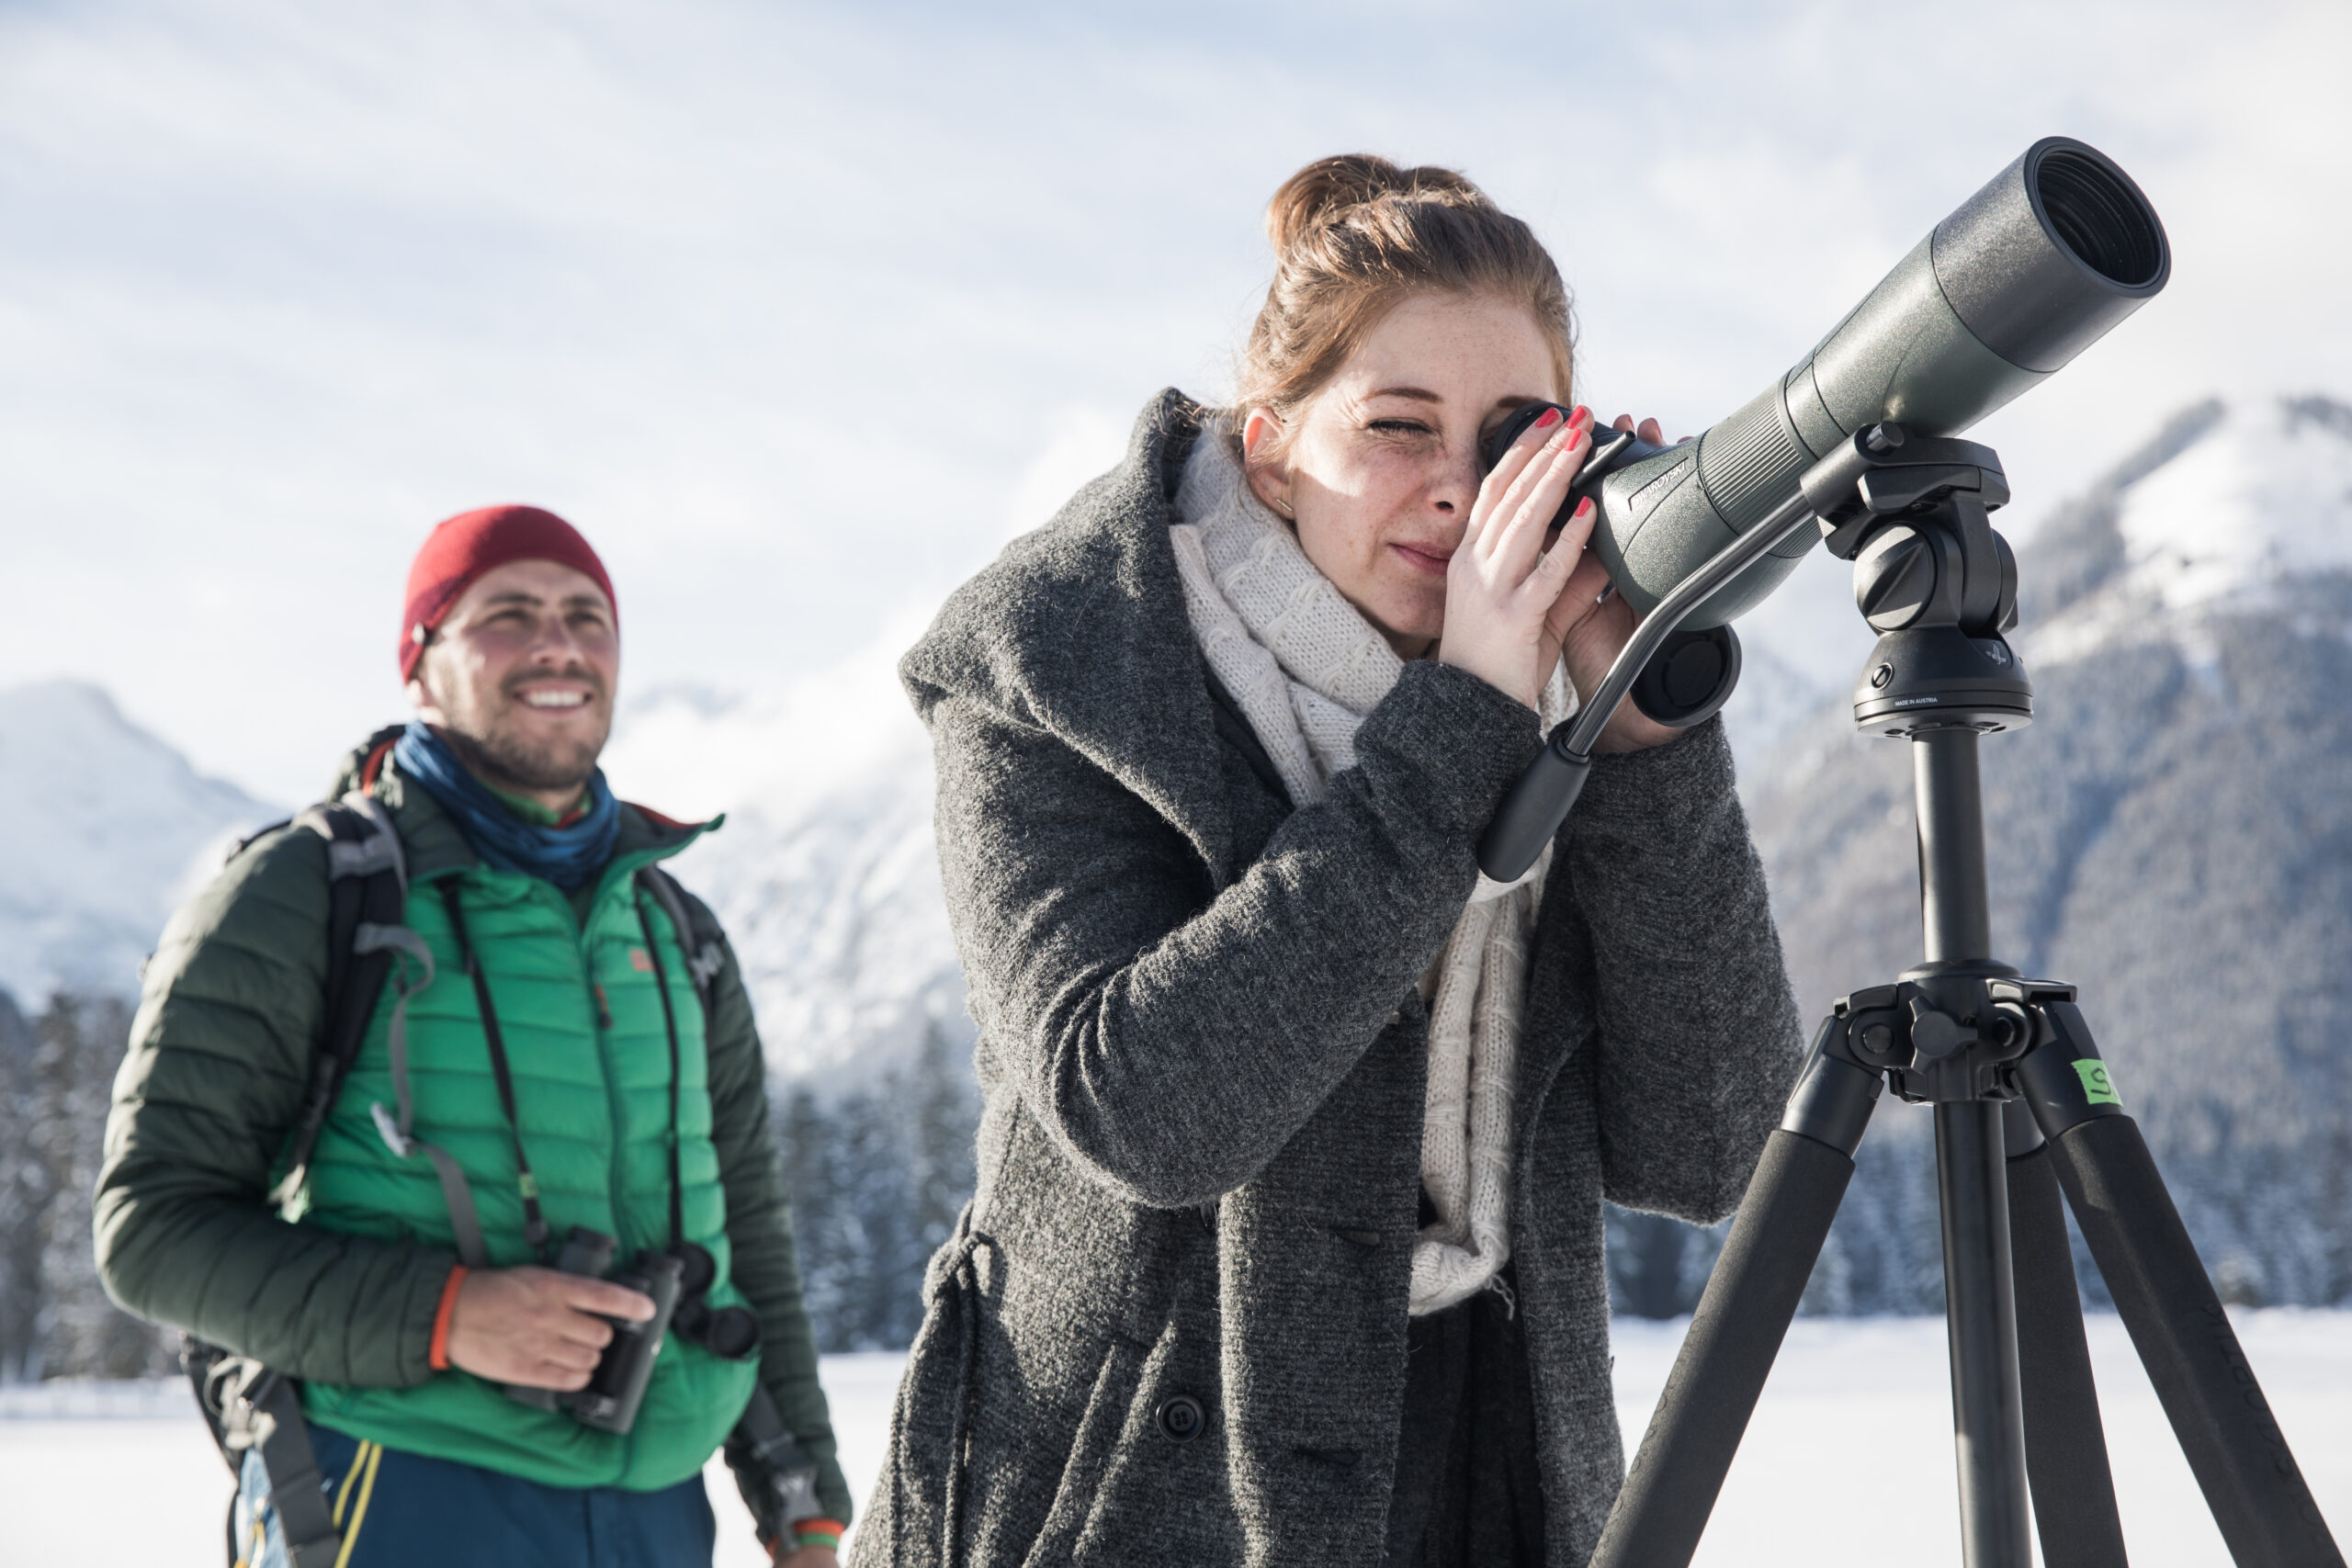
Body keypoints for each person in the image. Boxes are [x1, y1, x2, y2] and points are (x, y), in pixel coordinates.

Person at [855, 156, 1804, 1568]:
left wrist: (1642, 737)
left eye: (1509, 434)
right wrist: (1467, 719)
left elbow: (1708, 1144)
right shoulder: (1053, 669)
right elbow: (1147, 1113)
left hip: (1494, 1458)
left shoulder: (1554, 692)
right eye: (1398, 426)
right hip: (1124, 1488)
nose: (1458, 490)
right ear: (1270, 446)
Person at [96, 506, 852, 1567]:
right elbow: (151, 1232)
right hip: (394, 1492)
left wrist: (803, 1504)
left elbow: (749, 1238)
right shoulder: (302, 895)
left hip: (660, 1513)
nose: (559, 644)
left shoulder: (678, 930)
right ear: (420, 665)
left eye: (588, 617)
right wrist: (448, 1316)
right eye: (508, 614)